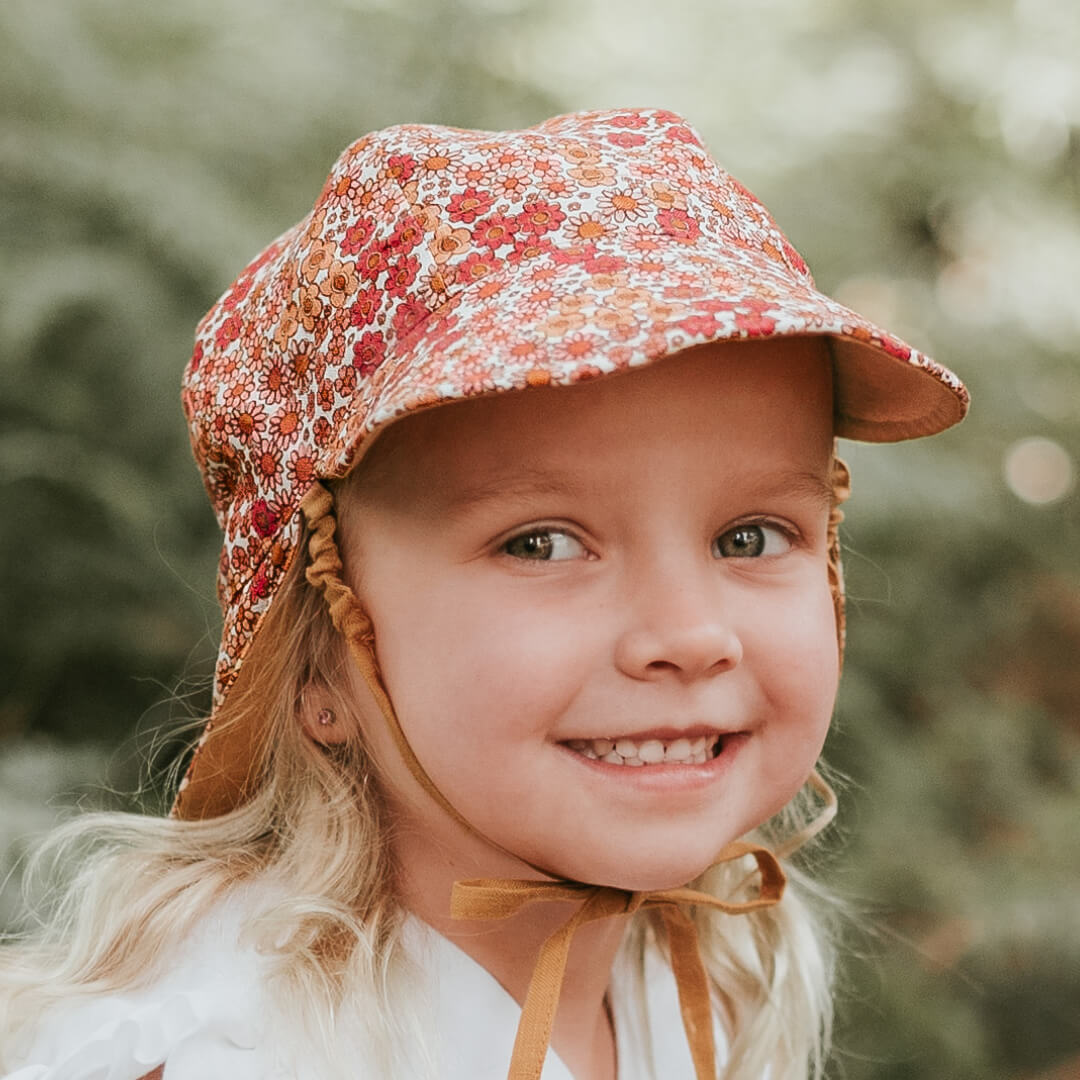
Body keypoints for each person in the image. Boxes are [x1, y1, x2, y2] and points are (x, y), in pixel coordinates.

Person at [0, 107, 968, 1080]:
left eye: (749, 537)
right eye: (542, 544)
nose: (689, 633)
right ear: (316, 657)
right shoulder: (225, 1054)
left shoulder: (703, 987)